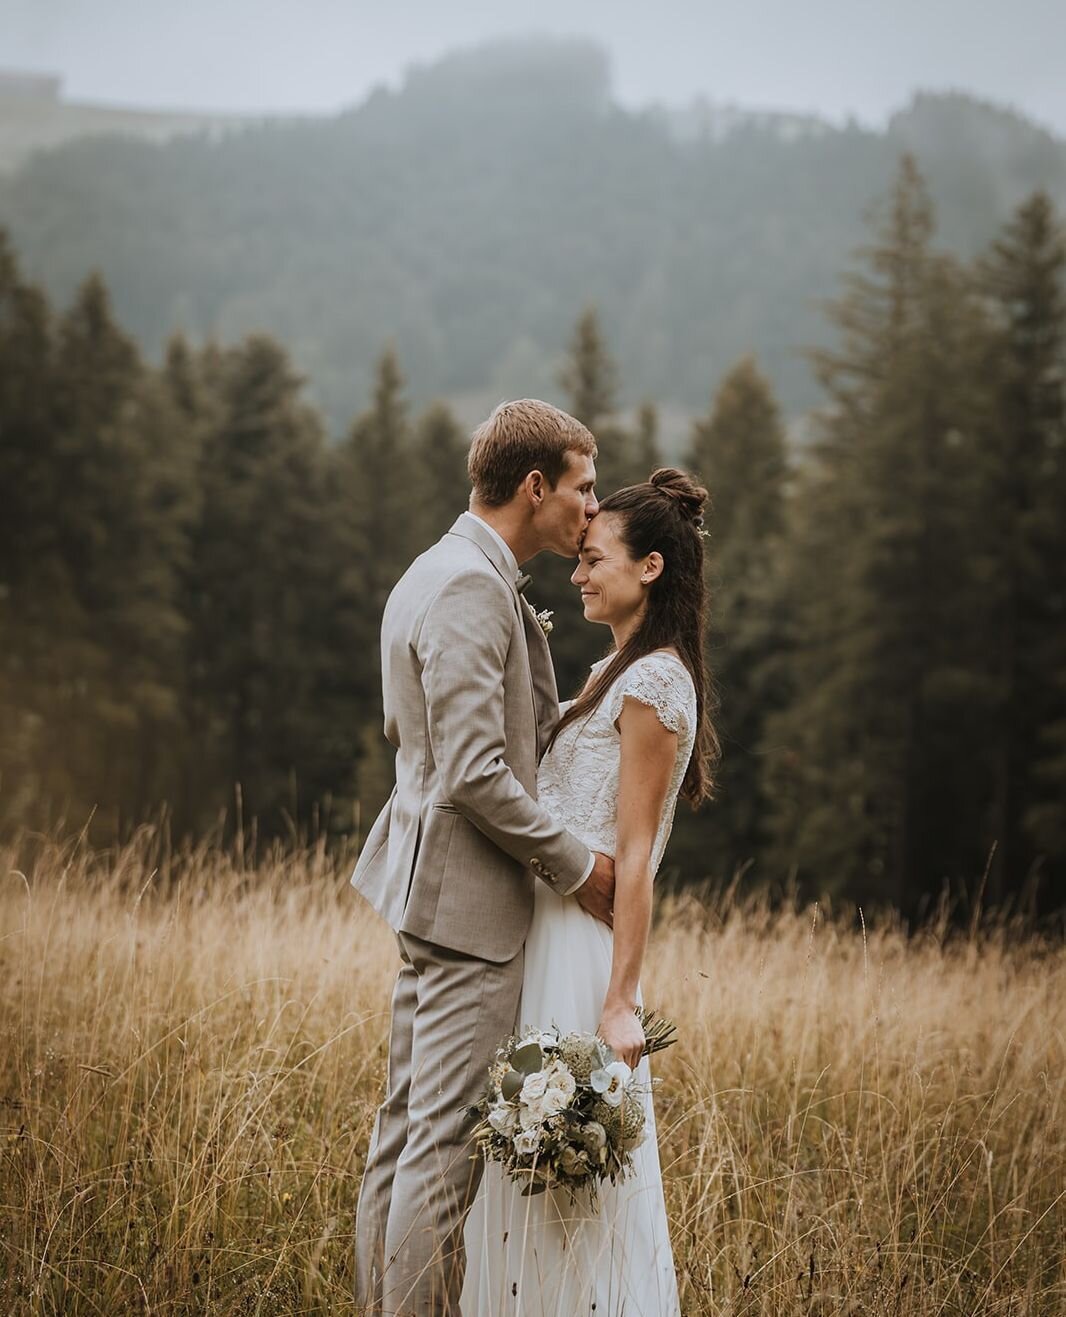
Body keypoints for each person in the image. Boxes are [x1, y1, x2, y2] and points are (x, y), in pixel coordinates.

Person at [350, 398, 617, 1316]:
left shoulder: (440, 567)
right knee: (443, 1151)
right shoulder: (471, 584)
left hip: (428, 891)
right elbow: (470, 770)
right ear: (535, 486)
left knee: (403, 1135)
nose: (591, 506)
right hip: (466, 906)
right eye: (582, 487)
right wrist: (578, 864)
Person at [461, 467, 718, 1316]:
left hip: (584, 953)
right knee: (524, 1179)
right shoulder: (613, 670)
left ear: (650, 567)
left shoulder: (655, 683)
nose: (576, 573)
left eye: (594, 558)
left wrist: (620, 1000)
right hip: (545, 935)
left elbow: (637, 854)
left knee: (573, 1192)